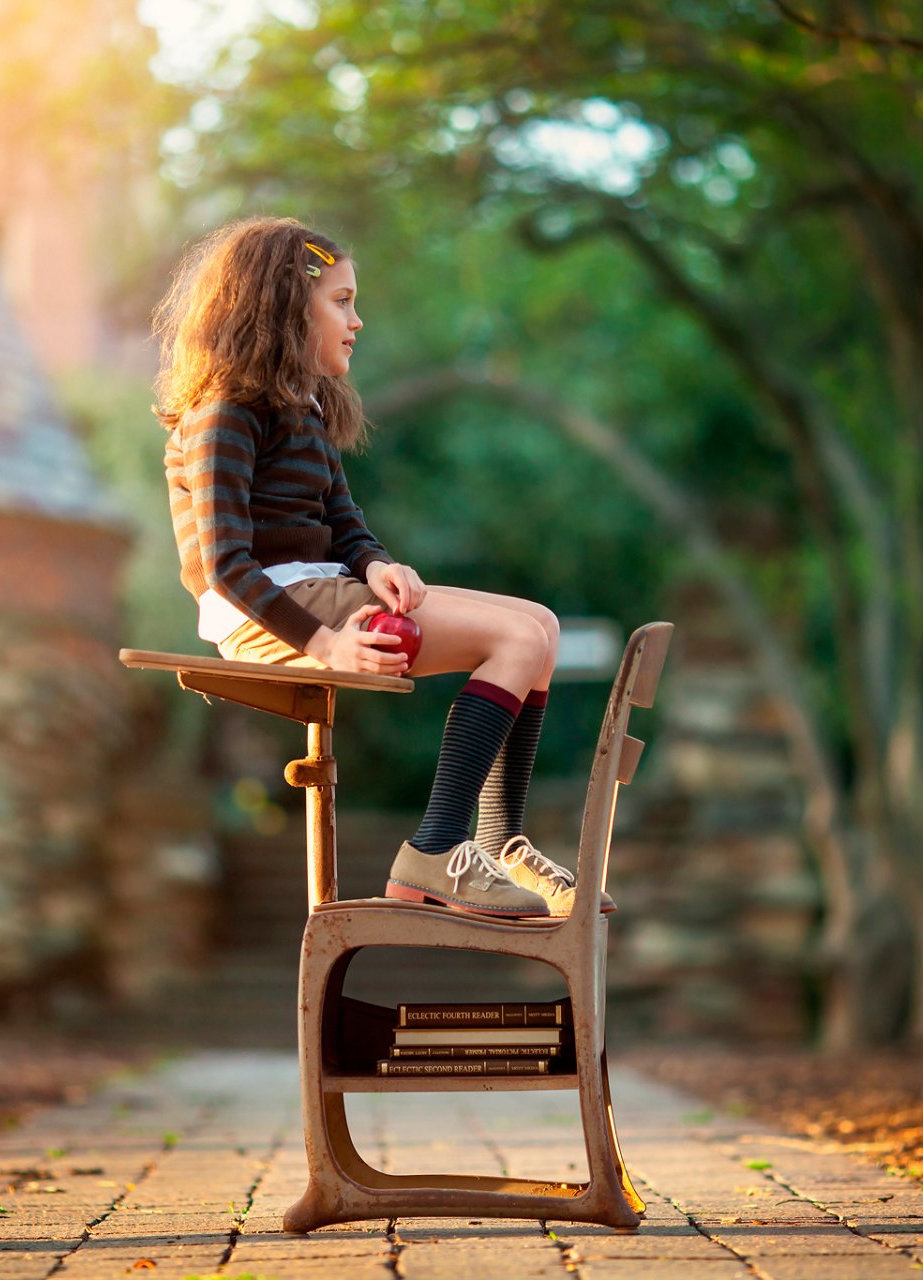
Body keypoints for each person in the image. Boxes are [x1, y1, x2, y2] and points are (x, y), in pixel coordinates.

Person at [154, 216, 610, 920]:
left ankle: (501, 841)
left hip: (323, 589)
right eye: (341, 301)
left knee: (539, 626)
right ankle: (435, 850)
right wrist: (328, 644)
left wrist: (375, 566)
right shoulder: (226, 411)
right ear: (281, 303)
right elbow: (225, 566)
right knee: (515, 642)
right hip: (270, 610)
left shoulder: (303, 408)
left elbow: (343, 524)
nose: (357, 320)